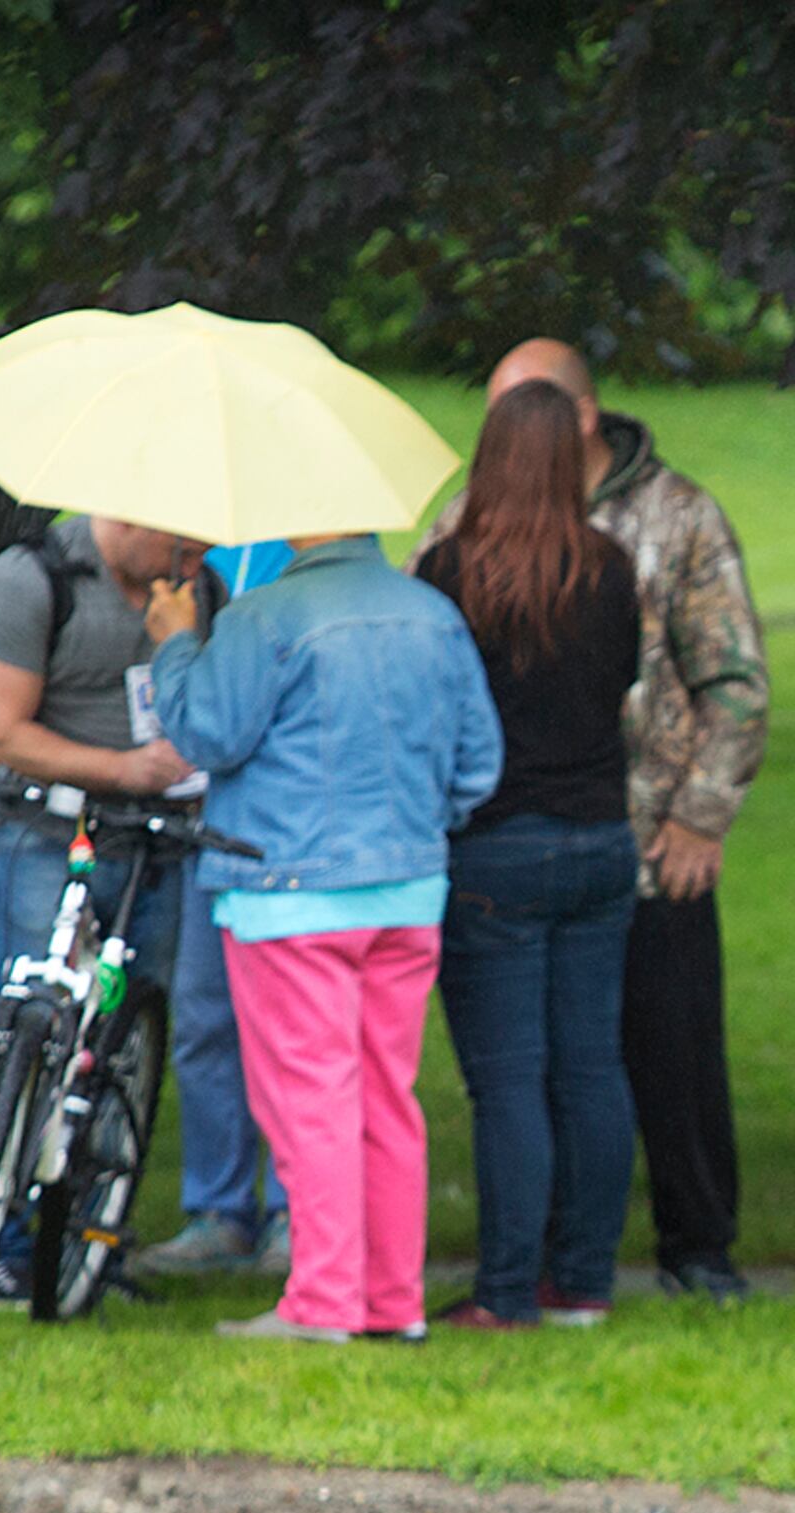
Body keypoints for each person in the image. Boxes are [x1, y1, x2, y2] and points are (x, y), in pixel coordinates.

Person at [423, 339, 769, 1299]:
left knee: (667, 1056)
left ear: (574, 415)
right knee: (567, 1068)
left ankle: (696, 1249)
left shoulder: (675, 518)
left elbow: (734, 681)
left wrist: (701, 816)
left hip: (647, 840)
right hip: (570, 834)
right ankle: (562, 1267)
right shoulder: (472, 524)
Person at [149, 528, 501, 1343]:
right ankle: (390, 1299)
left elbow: (206, 734)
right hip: (407, 890)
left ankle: (324, 1300)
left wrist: (174, 646)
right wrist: (413, 828)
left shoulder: (266, 615)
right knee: (385, 1098)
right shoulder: (434, 614)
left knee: (312, 1100)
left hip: (291, 896)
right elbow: (479, 765)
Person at [0, 511, 254, 1280]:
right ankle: (3, 1233)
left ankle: (87, 1233)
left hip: (154, 841)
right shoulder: (31, 580)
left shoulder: (199, 588)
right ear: (125, 511)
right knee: (34, 1017)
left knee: (123, 1036)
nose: (195, 555)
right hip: (45, 833)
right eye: (181, 538)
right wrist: (121, 771)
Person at [416, 384, 645, 1329]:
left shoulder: (448, 571)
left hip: (496, 849)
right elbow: (623, 679)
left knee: (508, 1078)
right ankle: (582, 1282)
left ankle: (508, 1291)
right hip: (601, 840)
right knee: (591, 1066)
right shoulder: (612, 567)